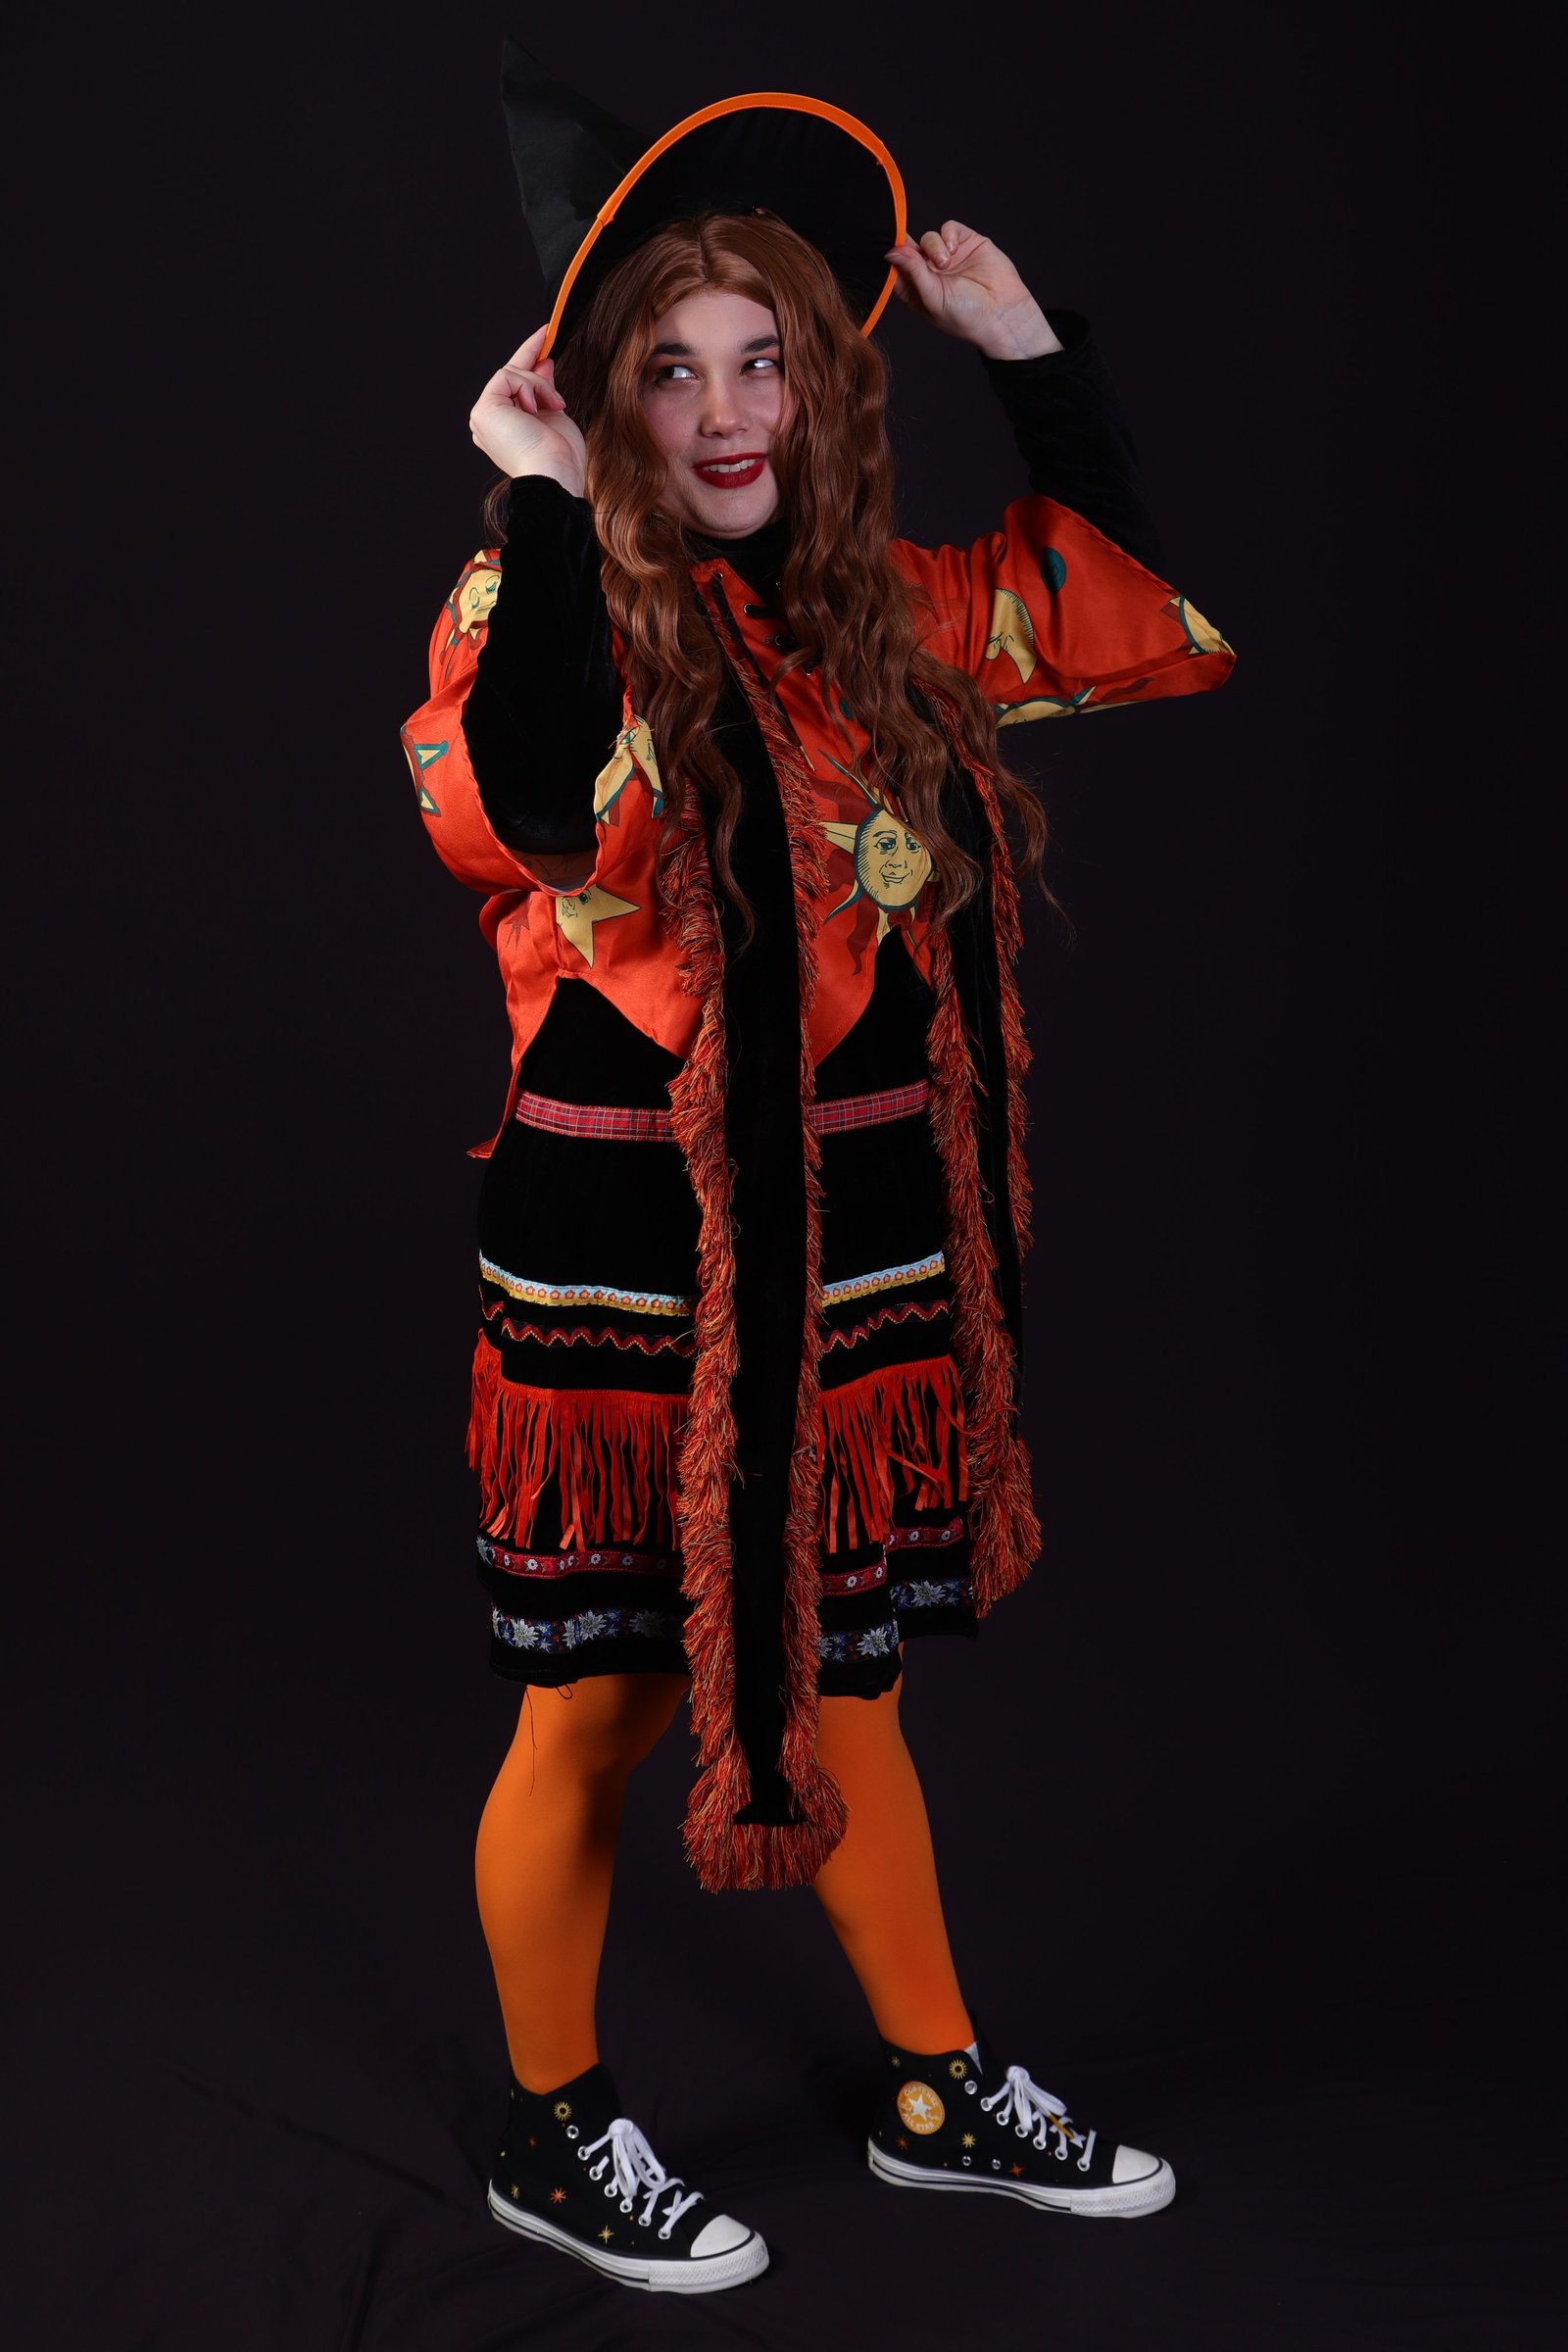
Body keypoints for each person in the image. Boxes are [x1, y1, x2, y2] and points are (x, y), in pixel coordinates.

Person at [400, 61, 1234, 2295]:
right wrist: (541, 500)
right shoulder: (526, 604)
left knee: (845, 1673)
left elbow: (1113, 594)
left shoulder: (881, 614)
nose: (728, 410)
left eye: (762, 356)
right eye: (671, 371)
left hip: (847, 1236)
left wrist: (1030, 351)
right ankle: (552, 2126)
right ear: (603, 405)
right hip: (619, 1244)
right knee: (594, 1702)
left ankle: (932, 2084)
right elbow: (530, 808)